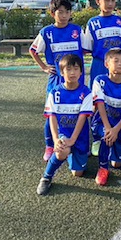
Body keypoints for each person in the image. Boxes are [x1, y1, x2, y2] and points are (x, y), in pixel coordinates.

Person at [30, 0, 84, 162]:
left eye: (67, 12)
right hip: (56, 81)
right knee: (51, 113)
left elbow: (87, 48)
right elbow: (33, 50)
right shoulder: (46, 32)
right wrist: (44, 67)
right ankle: (50, 145)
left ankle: (77, 145)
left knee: (78, 113)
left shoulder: (77, 30)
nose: (64, 15)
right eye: (60, 12)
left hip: (76, 82)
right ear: (52, 13)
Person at [36, 54, 93, 196]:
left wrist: (73, 139)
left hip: (79, 137)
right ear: (61, 72)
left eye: (76, 69)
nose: (72, 72)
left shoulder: (86, 92)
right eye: (68, 69)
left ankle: (72, 154)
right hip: (64, 134)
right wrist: (56, 139)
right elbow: (52, 118)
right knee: (61, 150)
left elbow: (82, 118)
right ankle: (46, 177)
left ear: (81, 72)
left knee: (78, 173)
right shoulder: (55, 92)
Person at [91, 48, 121, 186]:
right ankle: (103, 168)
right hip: (101, 123)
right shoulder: (100, 80)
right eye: (116, 61)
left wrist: (116, 129)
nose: (120, 64)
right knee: (106, 136)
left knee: (117, 164)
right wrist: (108, 128)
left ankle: (113, 151)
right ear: (107, 64)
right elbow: (99, 104)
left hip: (119, 127)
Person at [82, 0, 121, 87]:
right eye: (107, 0)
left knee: (118, 91)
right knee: (97, 91)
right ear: (98, 1)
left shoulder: (119, 21)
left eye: (113, 0)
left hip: (117, 65)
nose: (110, 4)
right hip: (99, 64)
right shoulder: (93, 23)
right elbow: (88, 47)